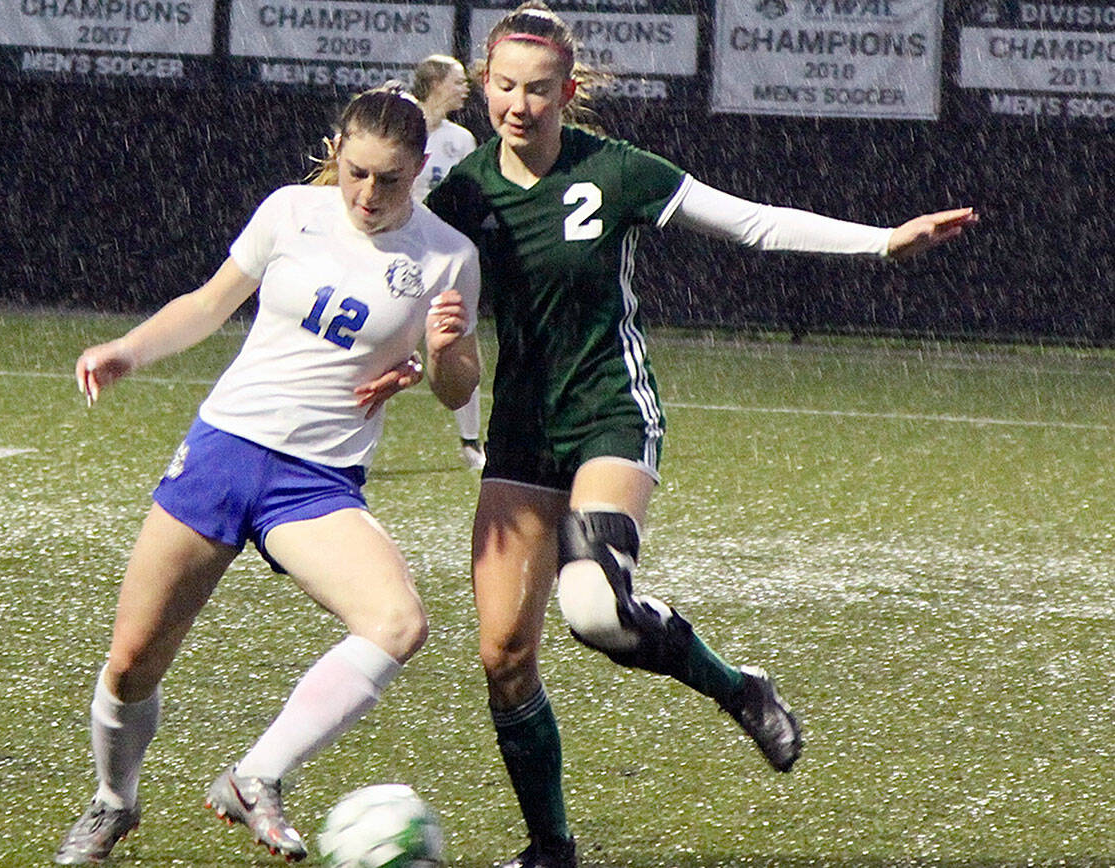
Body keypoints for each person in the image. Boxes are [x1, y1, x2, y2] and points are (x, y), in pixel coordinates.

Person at [424, 4, 979, 866]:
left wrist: (883, 244)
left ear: (569, 92)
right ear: (483, 88)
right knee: (502, 657)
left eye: (539, 89)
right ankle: (551, 847)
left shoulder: (614, 170)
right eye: (503, 87)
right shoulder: (461, 198)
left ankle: (736, 687)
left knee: (596, 611)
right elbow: (432, 338)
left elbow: (750, 221)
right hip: (522, 432)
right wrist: (426, 351)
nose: (519, 105)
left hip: (610, 411)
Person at [52, 83, 481, 865]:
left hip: (317, 481)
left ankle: (257, 776)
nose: (369, 194)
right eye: (356, 172)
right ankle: (114, 802)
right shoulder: (291, 211)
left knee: (397, 623)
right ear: (338, 154)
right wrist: (127, 351)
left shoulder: (447, 255)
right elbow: (210, 306)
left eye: (391, 179)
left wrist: (446, 352)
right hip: (224, 451)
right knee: (133, 661)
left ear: (422, 167)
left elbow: (458, 386)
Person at [410, 53, 488, 470]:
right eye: (457, 80)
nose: (465, 87)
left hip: (441, 254)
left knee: (460, 340)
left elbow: (467, 199)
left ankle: (471, 442)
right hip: (399, 249)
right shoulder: (400, 123)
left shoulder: (460, 140)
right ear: (436, 83)